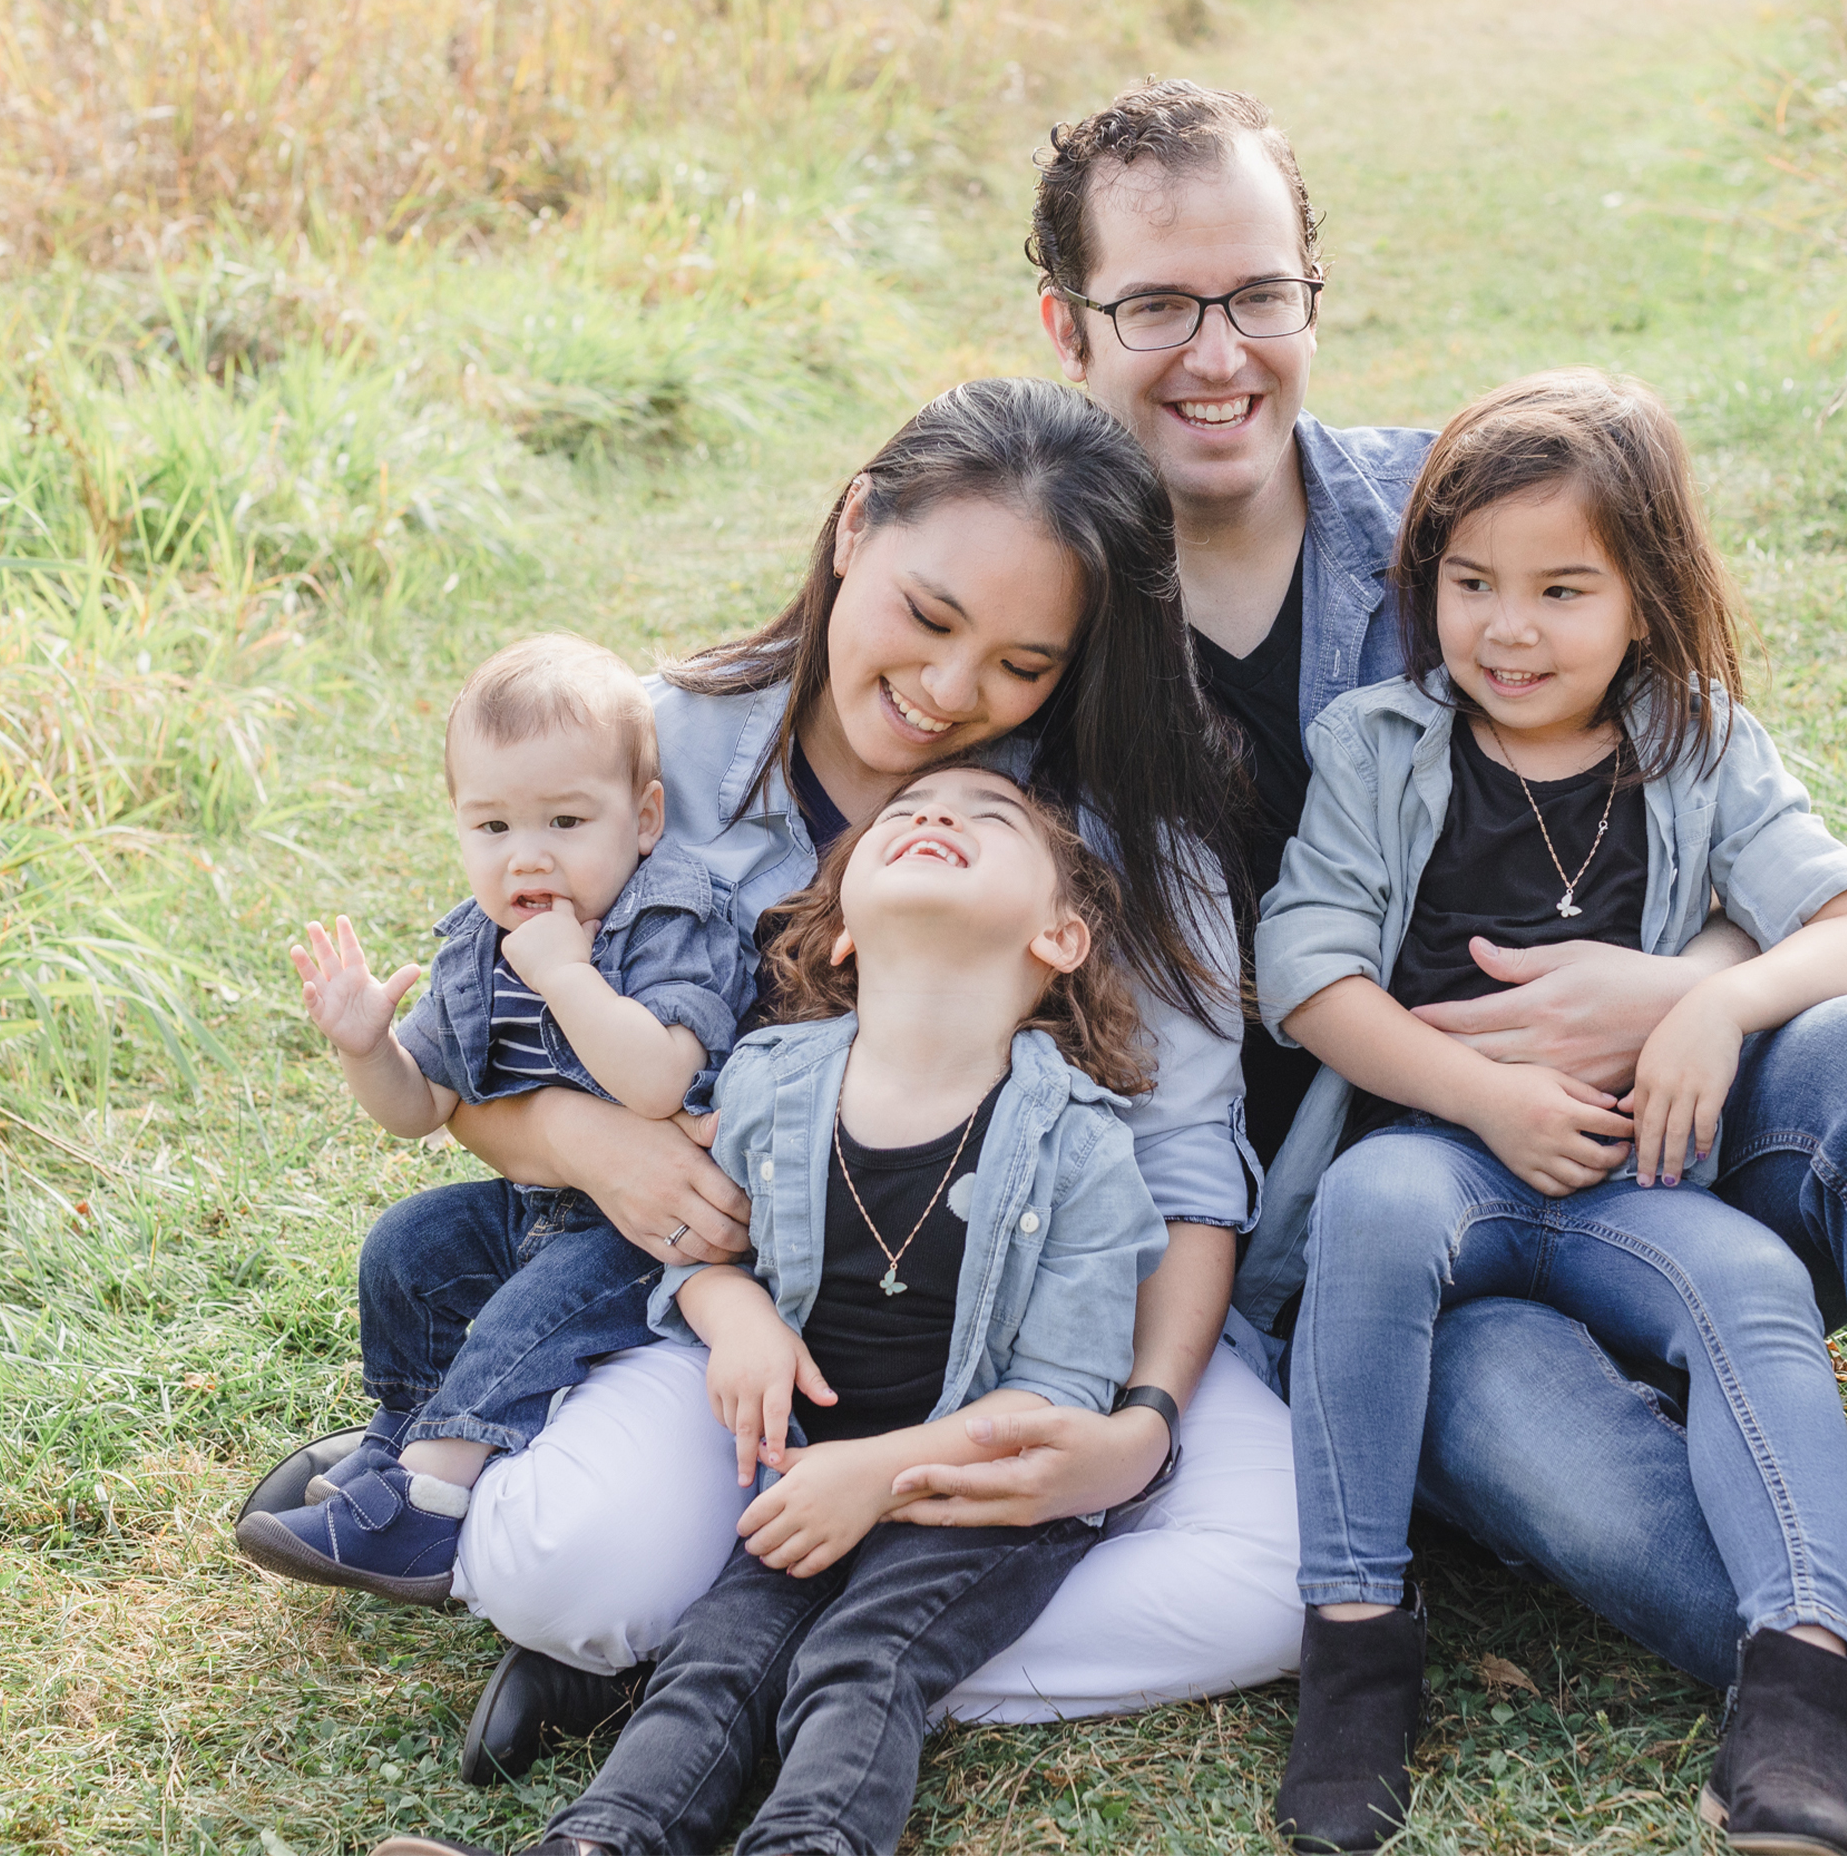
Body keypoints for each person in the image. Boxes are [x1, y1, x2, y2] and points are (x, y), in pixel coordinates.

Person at [1022, 76, 1847, 1856]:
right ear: (1069, 323)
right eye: (1157, 305)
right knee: (1606, 1495)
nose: (1218, 352)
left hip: (1656, 1136)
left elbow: (1723, 822)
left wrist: (1680, 991)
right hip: (1389, 1243)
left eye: (1256, 293)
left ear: (1310, 293)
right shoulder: (1032, 620)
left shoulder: (1457, 520)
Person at [241, 375, 1307, 1778]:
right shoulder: (645, 749)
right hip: (749, 1331)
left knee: (1282, 1571)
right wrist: (586, 1138)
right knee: (565, 1565)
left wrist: (1138, 1425)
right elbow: (482, 1058)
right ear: (855, 524)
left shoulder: (1123, 837)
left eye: (1020, 664)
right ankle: (710, 1613)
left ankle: (750, 1662)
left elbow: (1181, 1177)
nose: (947, 692)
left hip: (1045, 1330)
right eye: (929, 618)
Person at [1258, 370, 1847, 1855]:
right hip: (1428, 1159)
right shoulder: (1380, 740)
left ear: (1645, 596)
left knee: (1744, 1281)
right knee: (1374, 1203)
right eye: (1471, 582)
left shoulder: (1696, 738)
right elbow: (1304, 969)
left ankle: (1798, 1686)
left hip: (1627, 1182)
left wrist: (1707, 1002)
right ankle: (1354, 1644)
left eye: (1562, 588)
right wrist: (1483, 1093)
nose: (1508, 628)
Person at [369, 759, 1170, 1856]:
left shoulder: (1082, 1146)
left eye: (986, 819)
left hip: (974, 1499)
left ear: (1059, 939)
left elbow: (1059, 1398)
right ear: (841, 930)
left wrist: (877, 1475)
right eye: (905, 814)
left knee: (864, 1660)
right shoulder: (770, 1081)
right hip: (799, 1466)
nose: (935, 814)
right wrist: (734, 1314)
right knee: (715, 1659)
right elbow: (696, 1253)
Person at [239, 635, 741, 1605]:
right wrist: (365, 1048)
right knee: (408, 1247)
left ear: (643, 819)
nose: (528, 856)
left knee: (530, 1311)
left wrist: (564, 973)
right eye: (493, 827)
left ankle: (428, 1509)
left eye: (564, 819)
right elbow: (420, 1108)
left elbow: (658, 1082)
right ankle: (399, 1436)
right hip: (538, 1200)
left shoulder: (669, 915)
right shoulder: (480, 945)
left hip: (647, 1233)